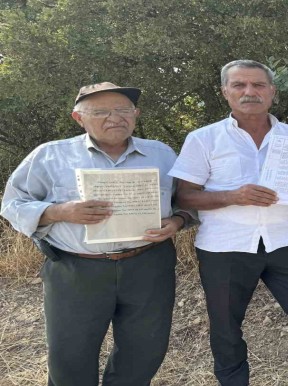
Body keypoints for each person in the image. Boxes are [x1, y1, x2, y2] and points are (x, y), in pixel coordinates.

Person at [169, 60, 288, 386]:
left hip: (285, 240)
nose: (249, 91)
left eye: (258, 85)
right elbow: (184, 196)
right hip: (225, 245)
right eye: (239, 85)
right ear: (225, 92)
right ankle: (233, 379)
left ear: (272, 92)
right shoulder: (203, 139)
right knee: (225, 323)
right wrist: (233, 196)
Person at [1, 82, 189, 386]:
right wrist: (59, 211)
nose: (114, 118)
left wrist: (178, 221)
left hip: (148, 265)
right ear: (79, 118)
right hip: (76, 269)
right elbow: (12, 204)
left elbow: (187, 200)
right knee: (70, 355)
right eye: (100, 112)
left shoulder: (162, 154)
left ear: (136, 114)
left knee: (145, 349)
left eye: (123, 109)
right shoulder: (49, 155)